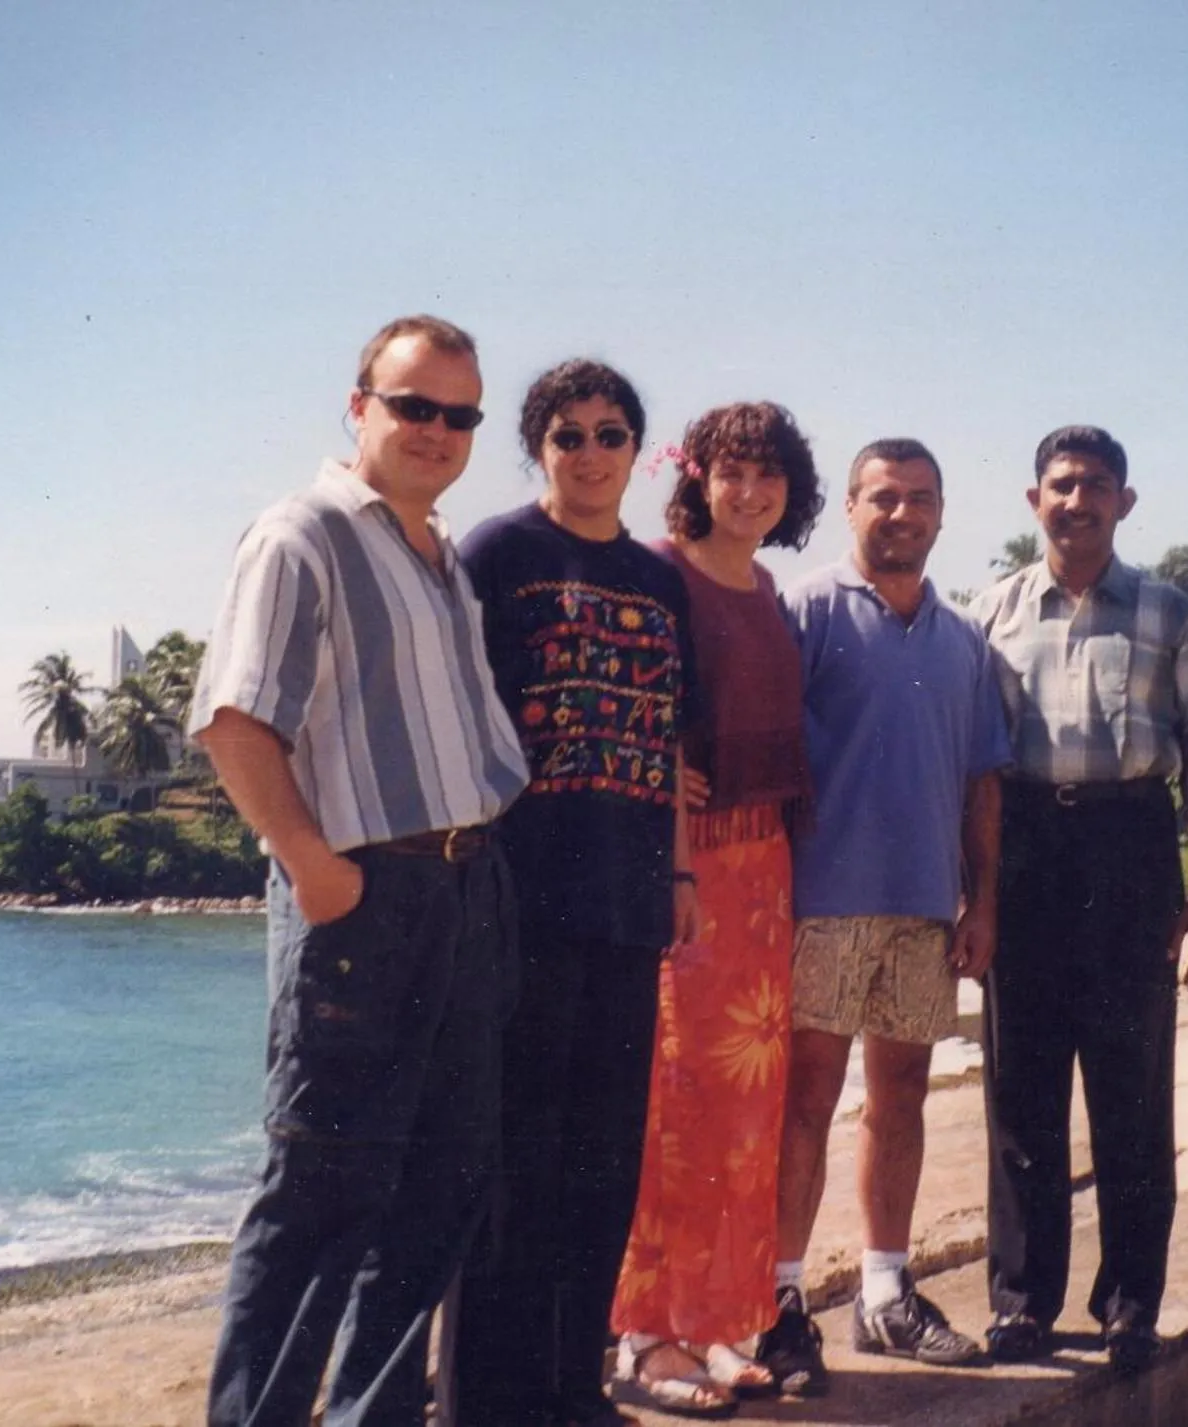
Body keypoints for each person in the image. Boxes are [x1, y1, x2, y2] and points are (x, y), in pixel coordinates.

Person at [188, 314, 529, 1427]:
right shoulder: (305, 533)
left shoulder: (436, 556)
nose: (436, 428)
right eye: (412, 404)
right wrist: (314, 869)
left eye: (458, 412)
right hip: (363, 899)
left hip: (465, 889)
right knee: (323, 1189)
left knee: (439, 1188)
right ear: (359, 406)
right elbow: (236, 722)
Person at [445, 358, 698, 1427]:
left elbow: (673, 736)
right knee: (513, 1160)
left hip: (631, 895)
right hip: (522, 893)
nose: (589, 452)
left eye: (609, 433)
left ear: (637, 450)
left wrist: (681, 869)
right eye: (567, 434)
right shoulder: (498, 552)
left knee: (600, 1159)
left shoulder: (659, 577)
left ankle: (571, 1389)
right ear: (537, 447)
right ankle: (484, 1402)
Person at [969, 424, 1188, 1375]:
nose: (1076, 500)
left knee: (1132, 1093)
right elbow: (974, 770)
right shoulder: (991, 612)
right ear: (1032, 499)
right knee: (1021, 1094)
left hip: (1131, 850)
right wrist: (980, 891)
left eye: (1095, 485)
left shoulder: (1169, 614)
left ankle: (1130, 1304)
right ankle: (1022, 1303)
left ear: (1126, 501)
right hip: (1028, 847)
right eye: (1060, 484)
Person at [757, 438, 1011, 1390]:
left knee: (898, 1096)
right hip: (819, 904)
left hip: (922, 911)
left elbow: (982, 781)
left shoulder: (964, 639)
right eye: (882, 498)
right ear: (851, 509)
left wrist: (978, 898)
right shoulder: (808, 610)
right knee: (807, 1101)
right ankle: (779, 1300)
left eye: (919, 499)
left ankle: (884, 1290)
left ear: (943, 513)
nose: (901, 514)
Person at [607, 402, 825, 1416]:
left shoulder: (768, 587)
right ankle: (646, 1339)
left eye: (769, 473)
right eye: (731, 472)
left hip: (765, 874)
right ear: (694, 478)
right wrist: (663, 792)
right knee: (675, 1107)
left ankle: (716, 1325)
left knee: (745, 1113)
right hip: (692, 871)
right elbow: (629, 706)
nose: (750, 491)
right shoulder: (661, 572)